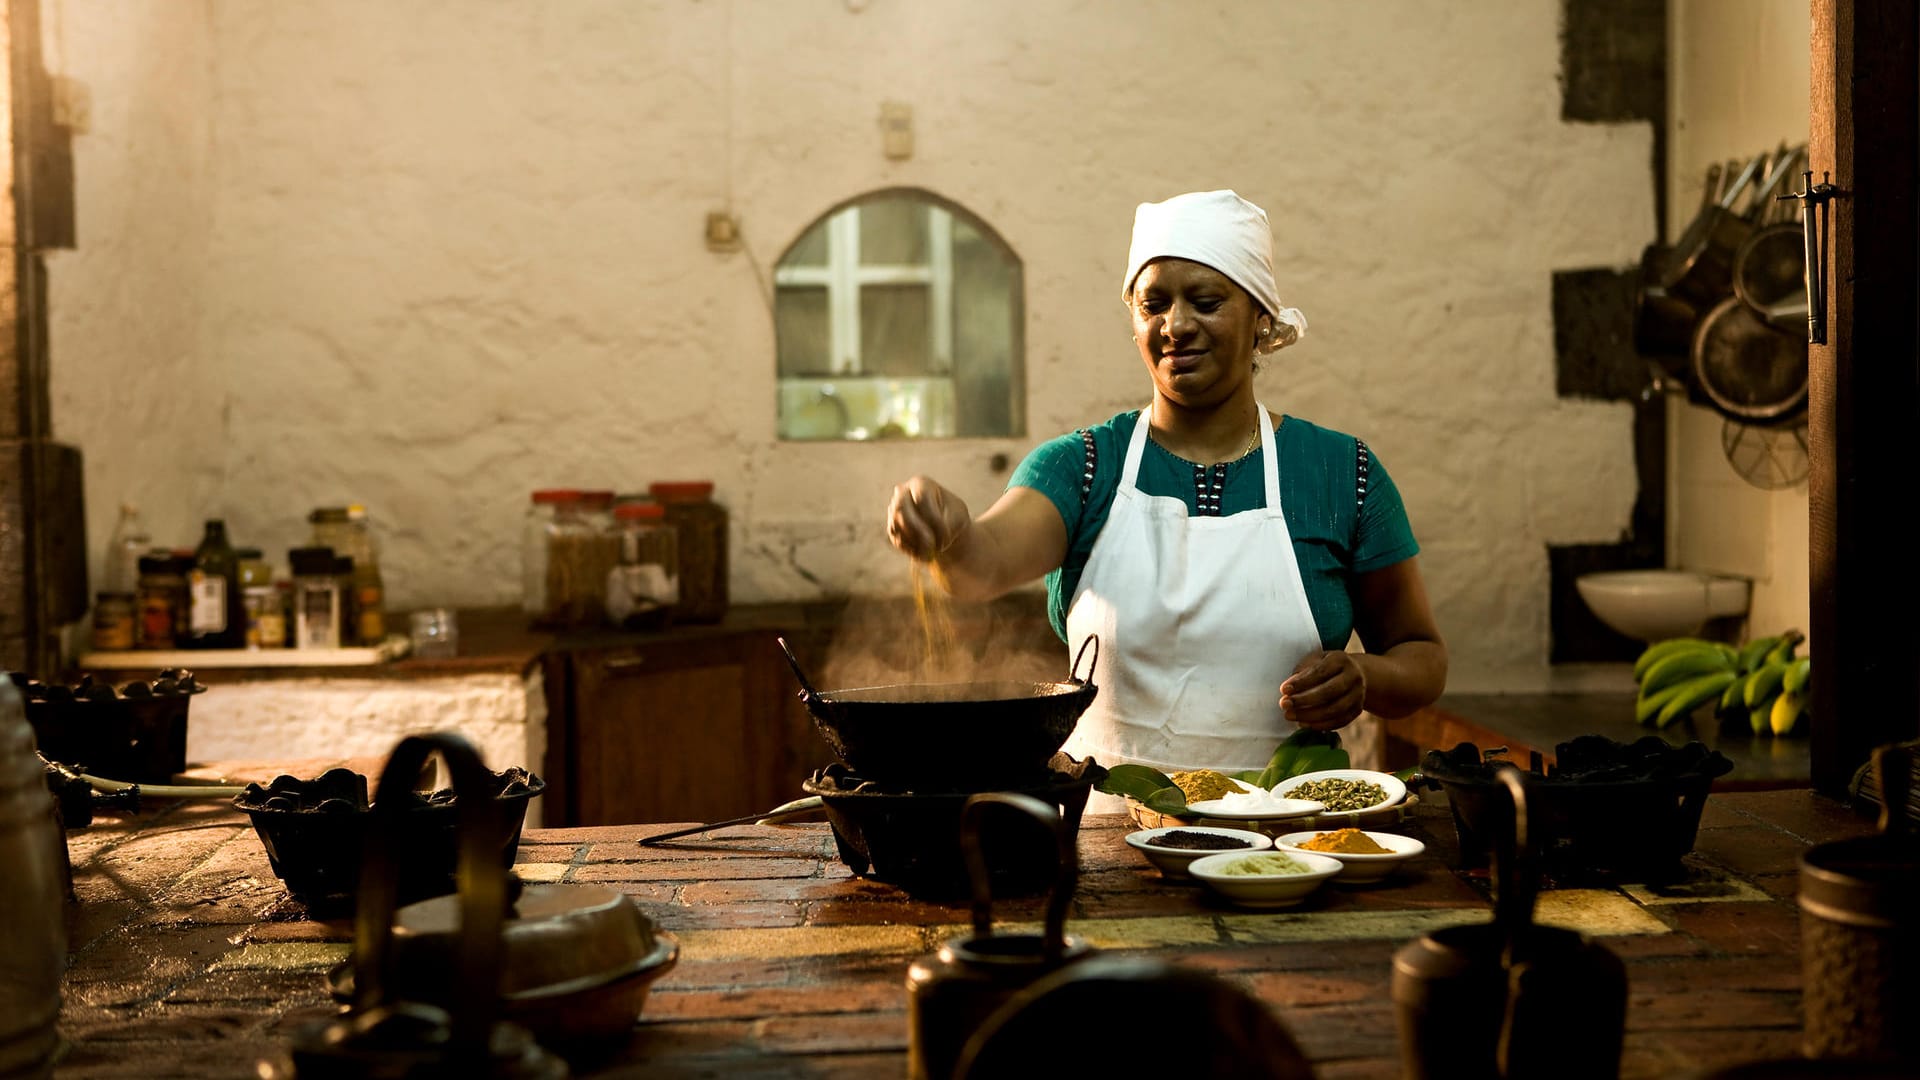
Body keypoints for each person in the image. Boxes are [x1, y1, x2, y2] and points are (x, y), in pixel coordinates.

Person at [885, 189, 1446, 805]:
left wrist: (1366, 676)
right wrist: (949, 534)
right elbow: (979, 566)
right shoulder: (1082, 467)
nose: (1176, 326)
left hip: (1286, 831)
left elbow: (1421, 658)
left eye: (1206, 302)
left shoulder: (1343, 473)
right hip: (1105, 833)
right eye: (1154, 305)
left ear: (1261, 315)